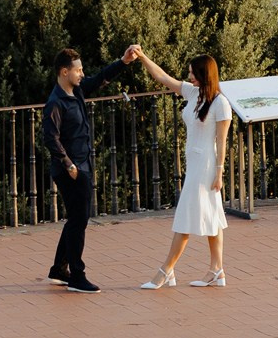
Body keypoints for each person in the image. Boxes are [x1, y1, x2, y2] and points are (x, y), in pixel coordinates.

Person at [40, 42, 143, 292]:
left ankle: (58, 269)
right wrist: (69, 164)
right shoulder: (56, 103)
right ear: (64, 72)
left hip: (82, 164)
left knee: (76, 218)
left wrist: (124, 61)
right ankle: (77, 275)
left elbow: (99, 78)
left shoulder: (77, 91)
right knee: (79, 220)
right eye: (78, 70)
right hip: (71, 170)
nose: (82, 74)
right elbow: (49, 137)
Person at [139, 53, 230, 289]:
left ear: (203, 74)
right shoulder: (193, 93)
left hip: (207, 166)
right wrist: (142, 57)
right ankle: (217, 270)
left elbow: (221, 142)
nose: (189, 76)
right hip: (194, 163)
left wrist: (219, 173)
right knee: (212, 217)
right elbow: (162, 77)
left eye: (193, 72)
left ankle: (166, 270)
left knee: (186, 218)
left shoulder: (221, 103)